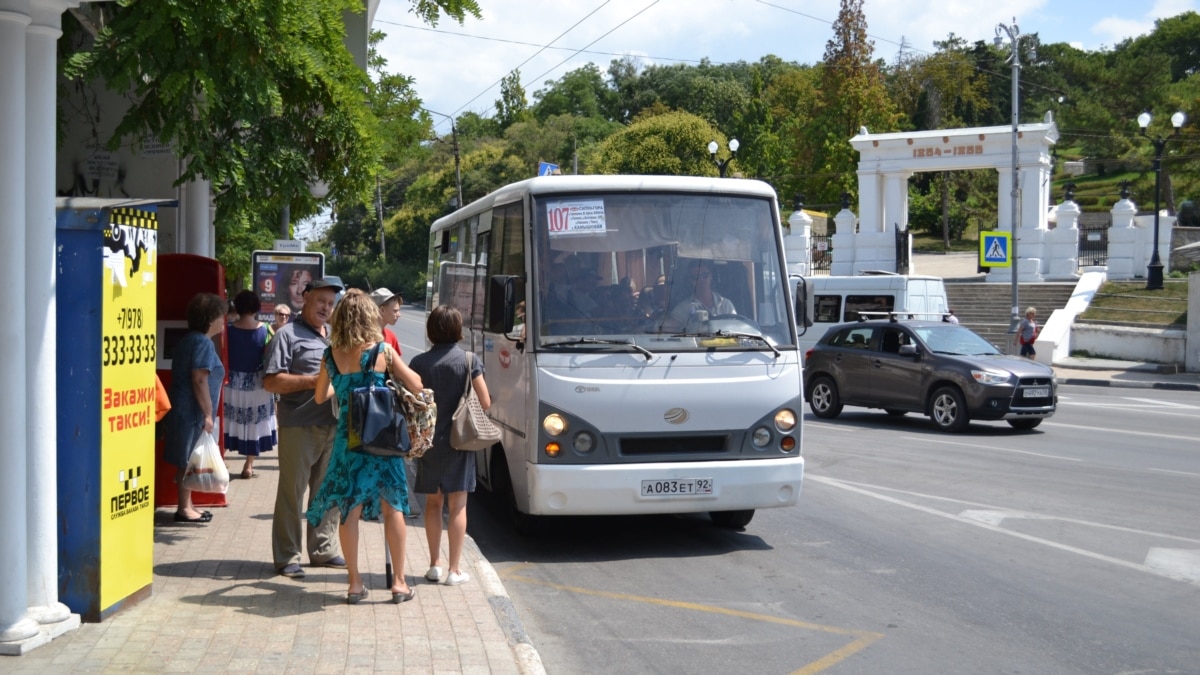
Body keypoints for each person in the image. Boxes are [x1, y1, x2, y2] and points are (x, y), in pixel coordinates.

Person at [306, 290, 424, 604]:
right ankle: (399, 583)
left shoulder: (331, 354)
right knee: (394, 506)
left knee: (350, 510)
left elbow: (320, 396)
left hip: (349, 440)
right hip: (382, 437)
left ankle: (355, 583)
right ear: (369, 317)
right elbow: (416, 383)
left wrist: (346, 385)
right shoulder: (382, 350)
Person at [264, 277, 345, 578]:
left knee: (326, 493)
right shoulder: (286, 335)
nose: (326, 308)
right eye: (321, 301)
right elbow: (271, 381)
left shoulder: (335, 336)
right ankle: (287, 556)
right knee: (292, 492)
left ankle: (323, 550)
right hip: (299, 425)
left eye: (330, 304)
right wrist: (315, 381)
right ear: (305, 298)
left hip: (333, 425)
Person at [409, 305, 492, 587]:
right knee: (457, 506)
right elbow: (485, 401)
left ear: (431, 330)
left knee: (433, 503)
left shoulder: (419, 363)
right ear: (458, 330)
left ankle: (434, 564)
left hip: (429, 441)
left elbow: (411, 400)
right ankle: (454, 571)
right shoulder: (469, 360)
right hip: (460, 441)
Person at [162, 292, 226, 524]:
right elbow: (199, 379)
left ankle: (187, 506)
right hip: (191, 412)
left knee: (187, 459)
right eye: (221, 316)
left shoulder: (190, 340)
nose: (223, 321)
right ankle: (184, 508)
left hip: (183, 409)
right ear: (211, 319)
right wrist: (208, 414)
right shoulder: (202, 343)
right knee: (188, 459)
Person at [224, 290, 278, 479]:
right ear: (257, 307)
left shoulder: (227, 329)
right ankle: (248, 465)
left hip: (232, 382)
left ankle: (222, 459)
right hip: (257, 384)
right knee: (254, 423)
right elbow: (272, 357)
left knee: (229, 421)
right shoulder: (266, 330)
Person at [667, 259, 735, 329]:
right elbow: (669, 331)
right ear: (690, 280)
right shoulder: (682, 309)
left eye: (705, 275)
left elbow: (736, 329)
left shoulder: (726, 305)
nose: (701, 280)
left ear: (711, 276)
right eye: (696, 277)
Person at [369, 287, 404, 356]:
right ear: (382, 310)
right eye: (395, 311)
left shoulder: (391, 336)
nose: (399, 315)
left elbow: (394, 365)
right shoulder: (363, 336)